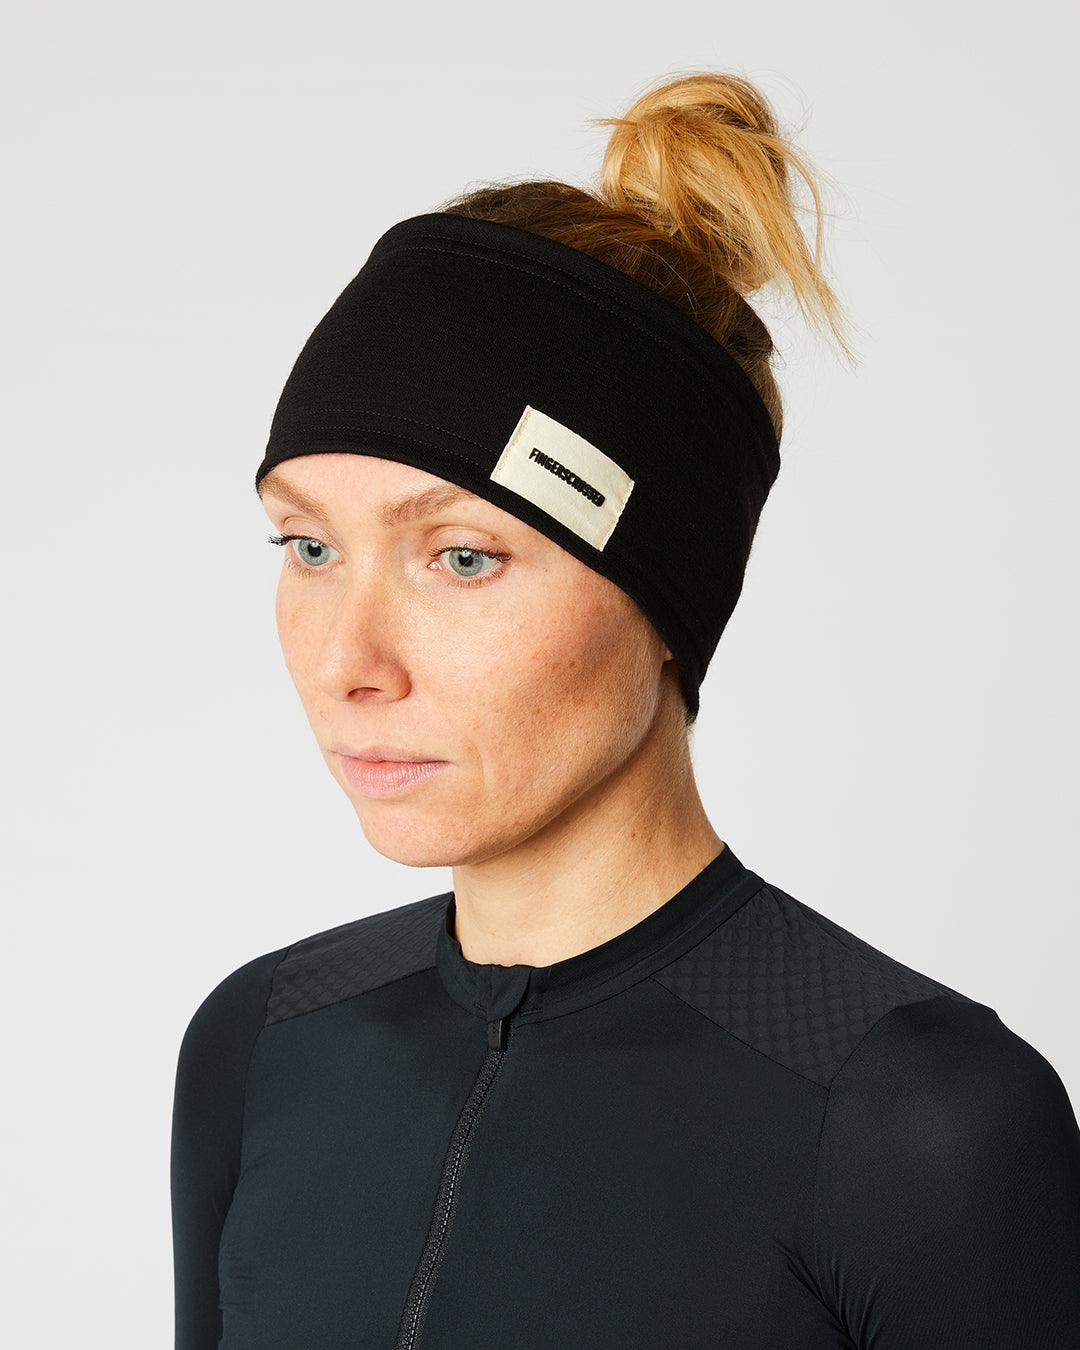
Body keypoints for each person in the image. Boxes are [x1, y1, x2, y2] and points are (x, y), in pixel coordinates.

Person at [170, 70, 1080, 1349]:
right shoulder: (262, 1043)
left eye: (463, 557)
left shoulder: (920, 1117)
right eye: (309, 548)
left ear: (663, 597)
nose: (348, 661)